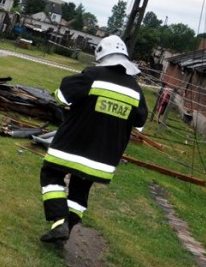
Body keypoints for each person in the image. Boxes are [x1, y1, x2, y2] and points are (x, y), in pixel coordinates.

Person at [39, 35, 148, 243]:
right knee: (81, 189)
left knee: (51, 175)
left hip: (71, 146)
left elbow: (61, 96)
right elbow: (140, 123)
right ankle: (67, 228)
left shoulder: (93, 75)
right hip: (103, 159)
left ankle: (59, 221)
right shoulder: (136, 91)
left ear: (101, 55)